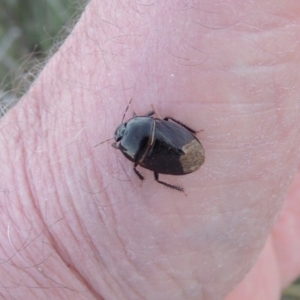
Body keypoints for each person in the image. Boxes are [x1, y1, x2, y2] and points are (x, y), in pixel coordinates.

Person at [1, 1, 299, 299]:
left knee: (153, 177)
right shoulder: (147, 126)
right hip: (173, 141)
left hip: (165, 163)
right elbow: (156, 125)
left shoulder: (137, 157)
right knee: (164, 136)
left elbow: (140, 165)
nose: (120, 131)